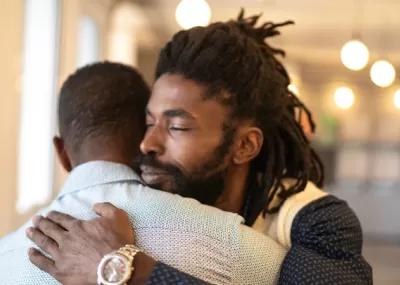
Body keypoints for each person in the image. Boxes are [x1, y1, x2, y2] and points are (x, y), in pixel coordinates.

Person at [27, 10, 372, 285]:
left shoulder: (316, 221)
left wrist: (125, 269)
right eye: (149, 122)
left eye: (177, 126)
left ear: (245, 145)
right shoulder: (141, 200)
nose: (148, 143)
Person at [0, 62, 287, 285]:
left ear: (61, 152)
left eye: (177, 126)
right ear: (144, 135)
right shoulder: (232, 244)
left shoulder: (6, 256)